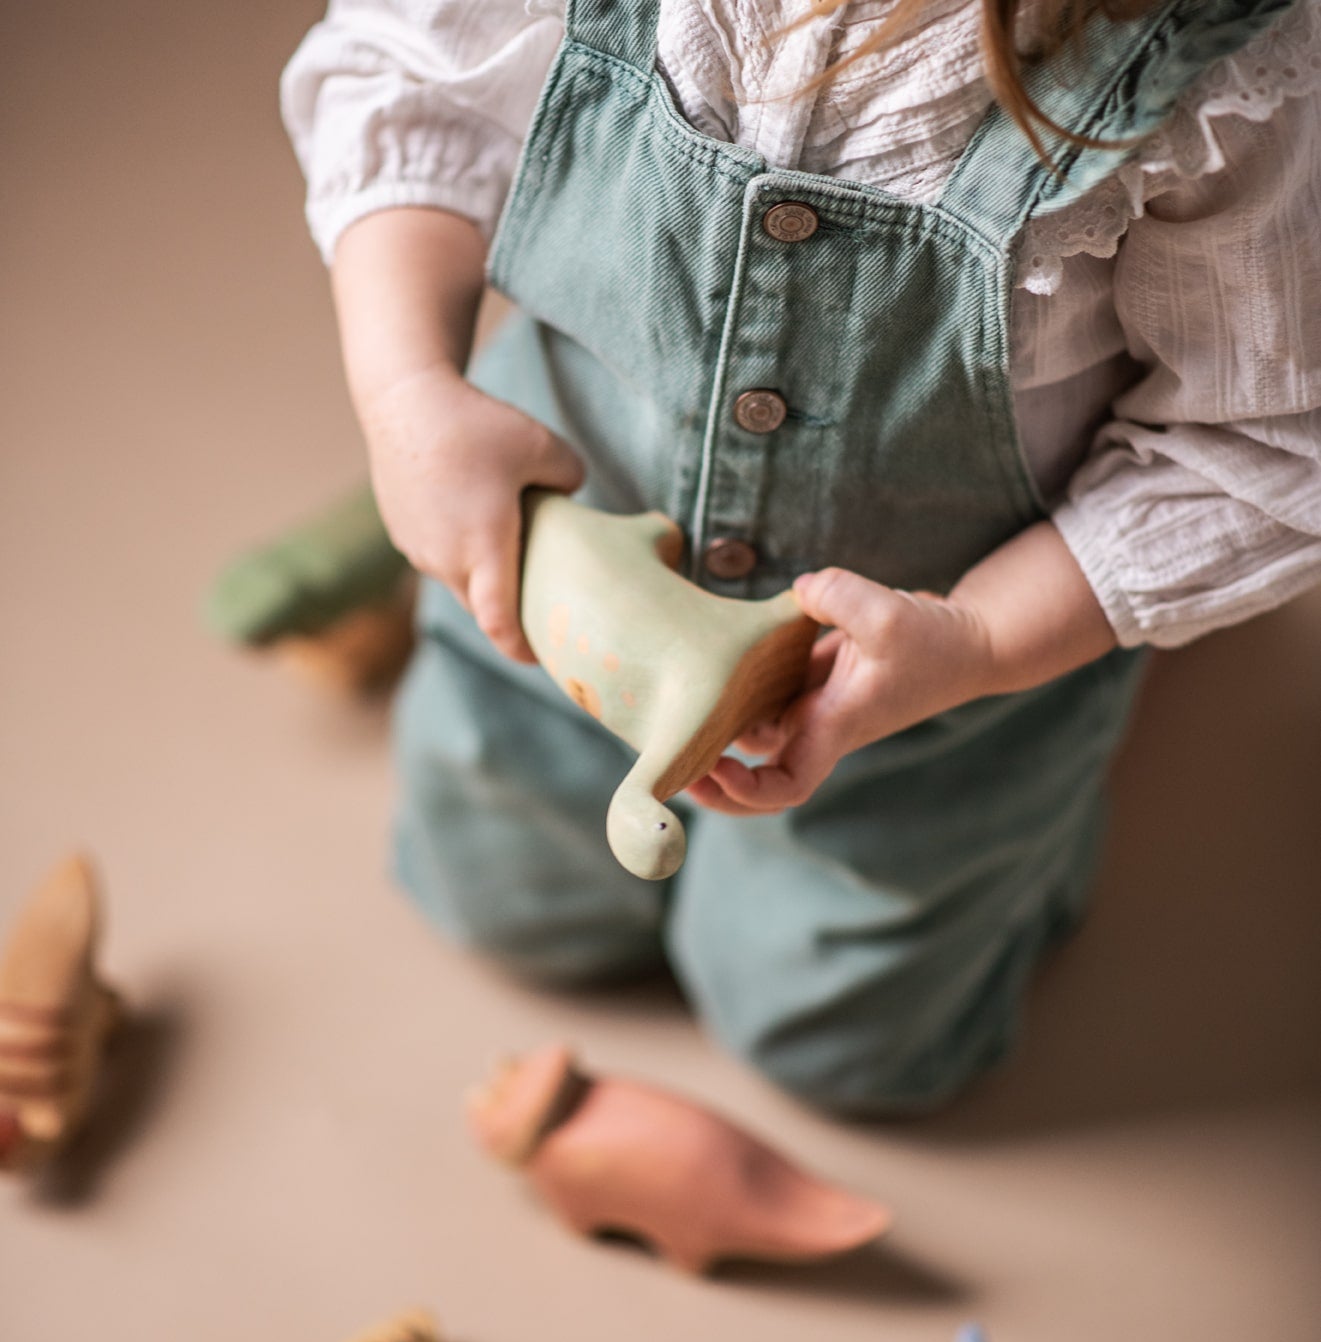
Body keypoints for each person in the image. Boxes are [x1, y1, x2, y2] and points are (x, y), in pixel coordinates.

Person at [278, 0, 1321, 1115]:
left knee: (845, 1047)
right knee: (500, 894)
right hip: (556, 568)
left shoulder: (1215, 68)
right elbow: (408, 79)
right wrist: (407, 397)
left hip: (935, 672)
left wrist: (979, 642)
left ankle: (1104, 690)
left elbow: (1258, 435)